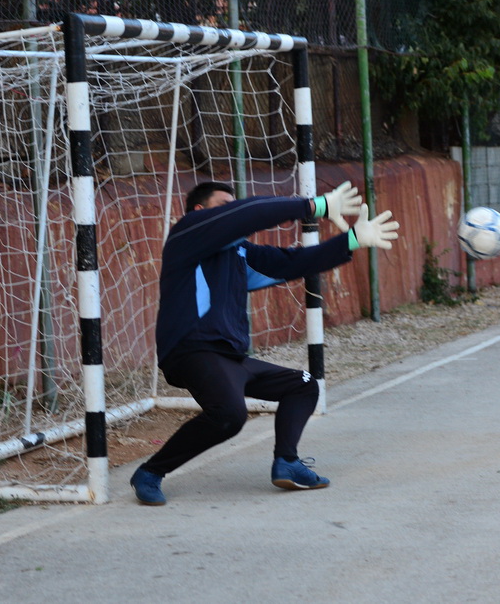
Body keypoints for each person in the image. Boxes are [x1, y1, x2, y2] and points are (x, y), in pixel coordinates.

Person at [129, 180, 399, 505]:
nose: (232, 208)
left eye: (233, 203)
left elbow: (291, 262)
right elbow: (248, 213)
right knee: (230, 414)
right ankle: (150, 472)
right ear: (201, 212)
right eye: (224, 204)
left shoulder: (240, 252)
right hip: (193, 348)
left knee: (303, 385)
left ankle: (287, 462)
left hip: (229, 357)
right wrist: (315, 206)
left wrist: (351, 240)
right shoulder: (188, 235)